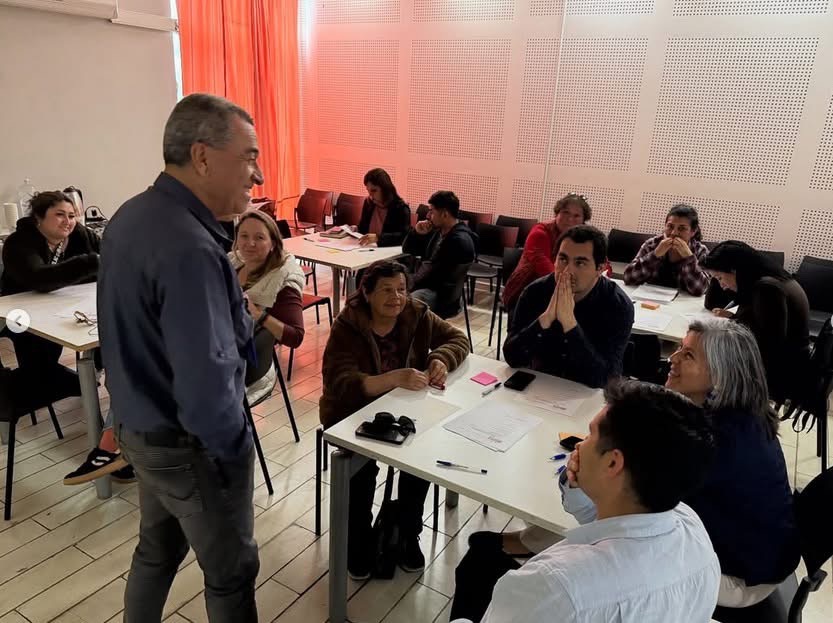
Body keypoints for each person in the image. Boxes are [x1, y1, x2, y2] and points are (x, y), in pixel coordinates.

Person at [472, 318, 800, 609]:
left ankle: (524, 545)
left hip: (736, 574)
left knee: (603, 516)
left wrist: (591, 468)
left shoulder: (717, 442)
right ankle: (527, 540)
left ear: (720, 375)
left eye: (688, 355)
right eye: (679, 349)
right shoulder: (740, 416)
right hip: (751, 550)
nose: (672, 359)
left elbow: (634, 515)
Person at [98, 93, 264, 622]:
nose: (257, 175)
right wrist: (231, 454)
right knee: (231, 574)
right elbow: (207, 384)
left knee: (157, 550)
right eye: (249, 158)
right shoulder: (191, 247)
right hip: (191, 445)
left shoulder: (131, 215)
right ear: (203, 156)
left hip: (140, 427)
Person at [64, 210, 306, 486]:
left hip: (239, 361)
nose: (250, 243)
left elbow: (295, 336)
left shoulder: (282, 277)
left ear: (274, 242)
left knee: (150, 374)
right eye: (244, 236)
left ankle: (121, 445)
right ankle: (125, 443)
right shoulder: (232, 262)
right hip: (207, 343)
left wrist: (259, 314)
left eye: (259, 238)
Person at [449, 381, 720, 623]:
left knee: (476, 566)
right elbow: (618, 522)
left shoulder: (555, 587)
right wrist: (582, 483)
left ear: (613, 462)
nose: (579, 444)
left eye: (590, 435)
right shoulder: (693, 531)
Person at [319, 260, 469, 580]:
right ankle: (358, 538)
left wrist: (440, 359)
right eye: (386, 290)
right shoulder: (349, 323)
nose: (396, 297)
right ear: (367, 293)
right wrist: (391, 379)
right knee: (361, 471)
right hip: (352, 413)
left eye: (401, 289)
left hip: (405, 411)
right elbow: (337, 381)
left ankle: (407, 532)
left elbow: (457, 339)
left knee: (419, 462)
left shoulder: (416, 313)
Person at [503, 225, 633, 388]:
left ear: (600, 268)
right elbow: (512, 358)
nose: (567, 270)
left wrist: (570, 324)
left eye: (580, 263)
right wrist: (545, 319)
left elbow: (604, 379)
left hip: (586, 394)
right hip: (540, 386)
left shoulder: (617, 305)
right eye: (563, 259)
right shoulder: (534, 292)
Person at [1, 190, 101, 398]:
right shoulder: (18, 243)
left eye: (72, 216)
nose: (68, 222)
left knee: (105, 329)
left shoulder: (80, 234)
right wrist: (90, 263)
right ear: (38, 217)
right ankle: (38, 381)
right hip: (17, 313)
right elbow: (39, 279)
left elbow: (109, 253)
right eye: (59, 215)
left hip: (64, 305)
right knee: (38, 349)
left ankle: (93, 371)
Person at [701, 240, 811, 403]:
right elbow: (712, 302)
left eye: (720, 278)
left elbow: (767, 346)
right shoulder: (767, 280)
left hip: (778, 375)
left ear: (735, 270)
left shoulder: (767, 289)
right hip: (788, 365)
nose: (721, 285)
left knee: (702, 365)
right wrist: (734, 317)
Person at [501, 193, 590, 313]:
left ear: (583, 220)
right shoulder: (540, 232)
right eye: (565, 212)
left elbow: (601, 263)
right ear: (556, 213)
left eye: (576, 215)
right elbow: (546, 271)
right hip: (526, 293)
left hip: (561, 292)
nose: (570, 219)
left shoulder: (584, 236)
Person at [401, 191, 477, 316]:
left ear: (445, 214)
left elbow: (433, 276)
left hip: (440, 295)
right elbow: (408, 249)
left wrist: (408, 284)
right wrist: (416, 232)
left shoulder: (458, 241)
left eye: (431, 211)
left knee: (401, 302)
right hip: (434, 287)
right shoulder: (439, 232)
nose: (428, 215)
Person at [623, 203, 710, 296]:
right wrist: (655, 255)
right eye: (670, 226)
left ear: (693, 231)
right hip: (649, 298)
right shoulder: (651, 244)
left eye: (682, 229)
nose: (674, 233)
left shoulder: (700, 251)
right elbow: (628, 278)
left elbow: (700, 290)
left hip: (683, 302)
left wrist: (689, 258)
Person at [356, 168, 411, 247]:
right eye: (368, 191)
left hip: (386, 250)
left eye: (374, 190)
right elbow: (362, 229)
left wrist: (378, 238)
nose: (370, 195)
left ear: (385, 189)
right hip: (367, 248)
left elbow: (404, 237)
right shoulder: (368, 203)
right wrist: (355, 229)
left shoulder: (401, 208)